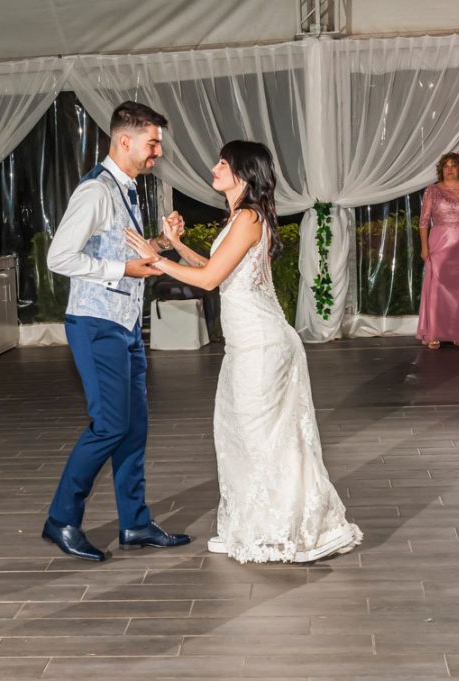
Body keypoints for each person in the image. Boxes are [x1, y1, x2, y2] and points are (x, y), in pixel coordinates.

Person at [124, 140, 362, 564]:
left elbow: (211, 280)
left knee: (260, 439)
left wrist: (154, 259)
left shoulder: (249, 217)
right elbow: (219, 268)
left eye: (222, 162)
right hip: (249, 345)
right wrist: (175, 246)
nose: (214, 167)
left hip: (262, 345)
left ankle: (282, 533)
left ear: (243, 173)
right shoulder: (241, 217)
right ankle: (252, 528)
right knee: (240, 436)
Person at [44, 101, 190, 561]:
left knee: (134, 428)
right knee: (109, 426)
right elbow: (58, 257)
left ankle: (135, 524)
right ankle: (61, 519)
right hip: (95, 324)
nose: (157, 154)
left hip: (124, 325)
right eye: (153, 144)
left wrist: (165, 242)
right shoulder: (95, 192)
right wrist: (119, 268)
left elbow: (133, 254)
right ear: (124, 141)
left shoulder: (125, 189)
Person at [416, 152, 459, 348]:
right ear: (441, 169)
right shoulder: (432, 190)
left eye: (454, 165)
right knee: (437, 288)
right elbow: (423, 222)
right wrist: (424, 247)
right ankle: (434, 332)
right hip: (439, 244)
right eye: (446, 166)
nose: (450, 169)